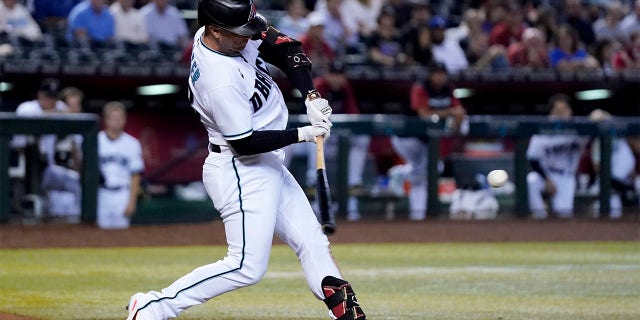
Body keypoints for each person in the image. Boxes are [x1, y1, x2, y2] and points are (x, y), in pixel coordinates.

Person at [124, 1, 366, 320]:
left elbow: (287, 47)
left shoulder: (227, 30)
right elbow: (244, 143)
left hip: (265, 160)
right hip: (240, 168)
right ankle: (154, 307)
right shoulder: (216, 79)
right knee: (246, 267)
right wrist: (304, 134)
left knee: (313, 241)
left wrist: (311, 96)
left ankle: (346, 314)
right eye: (241, 33)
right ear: (214, 30)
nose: (249, 38)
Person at [390, 62, 467, 221]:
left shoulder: (448, 88)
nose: (439, 77)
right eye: (436, 73)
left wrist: (456, 116)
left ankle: (417, 212)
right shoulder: (421, 87)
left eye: (442, 73)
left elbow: (459, 112)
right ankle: (404, 175)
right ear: (430, 75)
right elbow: (424, 115)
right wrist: (450, 112)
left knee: (432, 170)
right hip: (407, 139)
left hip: (426, 141)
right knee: (426, 171)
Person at [308, 60, 371, 222]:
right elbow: (314, 116)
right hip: (310, 141)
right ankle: (312, 179)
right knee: (317, 137)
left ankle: (353, 182)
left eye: (340, 75)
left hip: (335, 139)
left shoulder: (345, 88)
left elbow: (353, 115)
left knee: (362, 137)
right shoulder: (319, 86)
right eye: (333, 75)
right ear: (327, 74)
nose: (337, 79)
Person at [526, 94, 589, 219]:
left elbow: (598, 120)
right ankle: (539, 216)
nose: (561, 114)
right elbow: (533, 159)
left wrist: (598, 114)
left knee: (563, 214)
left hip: (566, 176)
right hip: (547, 174)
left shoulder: (579, 130)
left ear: (570, 111)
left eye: (564, 110)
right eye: (557, 111)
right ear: (551, 114)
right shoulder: (542, 132)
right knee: (531, 180)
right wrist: (547, 180)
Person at [97, 101, 144, 229]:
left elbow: (135, 175)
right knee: (99, 235)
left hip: (122, 193)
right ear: (106, 120)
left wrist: (132, 201)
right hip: (101, 193)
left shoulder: (132, 143)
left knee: (122, 237)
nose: (117, 122)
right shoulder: (96, 141)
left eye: (120, 118)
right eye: (113, 118)